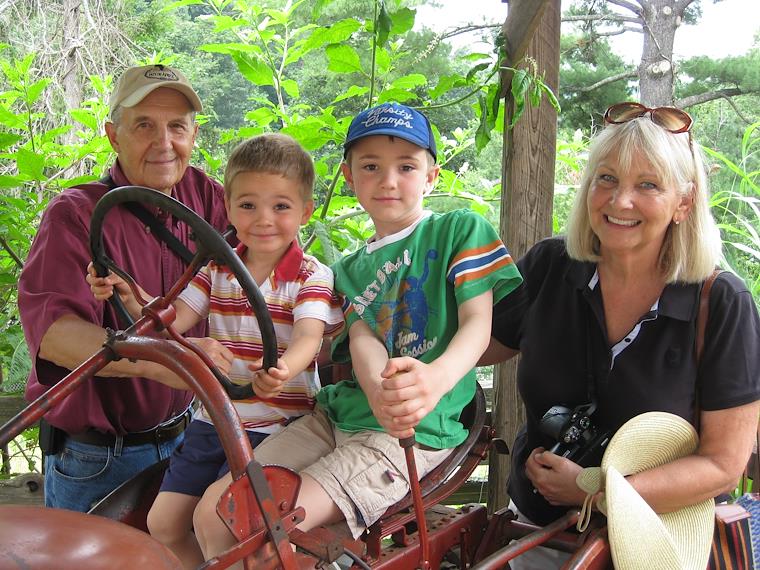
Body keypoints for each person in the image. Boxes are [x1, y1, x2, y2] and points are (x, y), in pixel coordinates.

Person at [191, 102, 524, 562]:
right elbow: (364, 340)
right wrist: (376, 389)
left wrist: (434, 379)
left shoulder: (458, 230)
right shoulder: (347, 270)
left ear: (431, 176)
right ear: (349, 176)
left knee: (269, 532)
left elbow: (477, 325)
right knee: (214, 514)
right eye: (371, 167)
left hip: (411, 432)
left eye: (406, 167)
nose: (388, 180)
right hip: (335, 418)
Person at [483, 102, 760, 569]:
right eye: (607, 178)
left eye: (647, 185)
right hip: (539, 538)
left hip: (662, 543)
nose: (620, 201)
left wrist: (593, 490)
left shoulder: (721, 302)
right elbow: (470, 346)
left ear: (684, 202)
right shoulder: (550, 267)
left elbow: (722, 465)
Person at [88, 133, 344, 567]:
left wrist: (283, 368)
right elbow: (170, 321)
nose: (263, 219)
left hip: (276, 425)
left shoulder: (310, 276)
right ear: (228, 207)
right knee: (164, 523)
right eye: (248, 205)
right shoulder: (217, 270)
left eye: (281, 206)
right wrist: (128, 296)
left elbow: (308, 337)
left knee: (224, 524)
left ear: (305, 211)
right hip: (215, 420)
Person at [18, 64, 231, 513]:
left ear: (193, 135)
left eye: (177, 127)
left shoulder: (209, 199)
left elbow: (267, 261)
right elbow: (56, 338)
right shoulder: (75, 215)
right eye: (144, 126)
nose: (164, 143)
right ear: (114, 136)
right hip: (97, 460)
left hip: (190, 444)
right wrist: (167, 362)